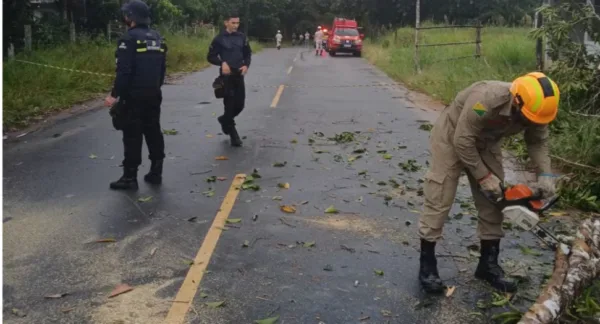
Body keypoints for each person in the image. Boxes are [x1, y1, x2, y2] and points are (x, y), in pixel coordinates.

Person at [418, 72, 560, 294]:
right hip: (453, 136)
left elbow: (538, 141)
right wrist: (483, 176)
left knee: (495, 200)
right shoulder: (486, 100)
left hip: (487, 142)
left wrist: (546, 175)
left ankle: (488, 265)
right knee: (440, 196)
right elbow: (462, 140)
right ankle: (427, 265)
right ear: (516, 100)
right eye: (527, 119)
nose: (529, 123)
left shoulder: (536, 110)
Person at [104, 0, 167, 190]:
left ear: (130, 17)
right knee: (153, 131)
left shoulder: (128, 39)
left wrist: (114, 95)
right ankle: (156, 171)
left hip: (134, 96)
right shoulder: (157, 38)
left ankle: (129, 177)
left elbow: (124, 71)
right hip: (154, 94)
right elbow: (162, 69)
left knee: (132, 135)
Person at [207, 12, 252, 147]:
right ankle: (234, 135)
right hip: (226, 77)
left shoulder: (242, 37)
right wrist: (222, 63)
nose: (236, 25)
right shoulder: (219, 39)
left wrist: (246, 65)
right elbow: (211, 56)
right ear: (226, 23)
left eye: (237, 23)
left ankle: (224, 120)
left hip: (239, 75)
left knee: (240, 106)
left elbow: (247, 54)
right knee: (230, 105)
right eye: (233, 23)